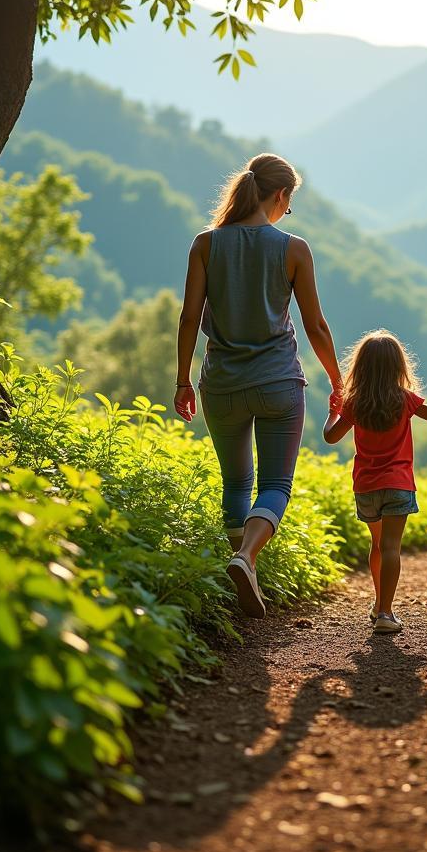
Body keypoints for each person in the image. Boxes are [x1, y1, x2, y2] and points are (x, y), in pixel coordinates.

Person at [174, 154, 343, 619]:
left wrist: (182, 379)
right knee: (274, 484)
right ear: (280, 196)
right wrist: (336, 379)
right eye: (288, 204)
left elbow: (189, 317)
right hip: (278, 384)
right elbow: (316, 325)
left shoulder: (206, 244)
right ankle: (246, 558)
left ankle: (240, 568)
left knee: (235, 482)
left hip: (221, 385)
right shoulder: (293, 248)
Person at [323, 330, 427, 634]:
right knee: (392, 547)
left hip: (366, 486)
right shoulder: (404, 399)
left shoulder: (354, 403)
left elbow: (331, 436)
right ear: (398, 366)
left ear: (360, 367)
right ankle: (386, 613)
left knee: (377, 545)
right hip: (399, 484)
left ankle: (378, 604)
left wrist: (333, 411)